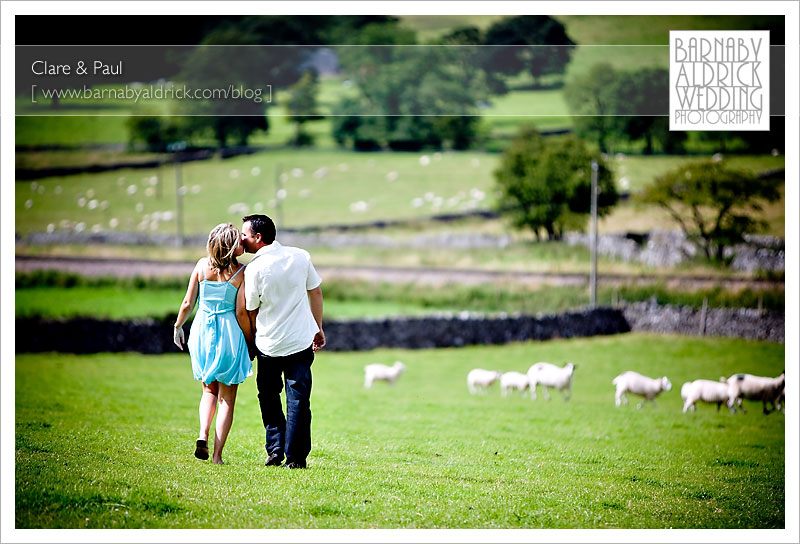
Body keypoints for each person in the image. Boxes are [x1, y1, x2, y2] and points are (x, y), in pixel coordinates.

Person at [238, 214, 325, 469]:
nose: (242, 238)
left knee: (268, 395)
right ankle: (296, 459)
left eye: (245, 234)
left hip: (269, 345)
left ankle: (275, 450)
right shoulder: (301, 256)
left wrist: (252, 341)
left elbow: (251, 309)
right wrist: (318, 327)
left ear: (258, 238)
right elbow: (316, 291)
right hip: (300, 341)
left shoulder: (254, 268)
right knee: (298, 399)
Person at [173, 223, 253, 465]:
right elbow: (241, 312)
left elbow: (188, 302)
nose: (243, 242)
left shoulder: (201, 266)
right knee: (227, 398)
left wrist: (177, 327)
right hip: (229, 332)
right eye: (239, 240)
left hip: (202, 332)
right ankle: (217, 456)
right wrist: (250, 342)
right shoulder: (242, 273)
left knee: (208, 390)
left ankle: (202, 434)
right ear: (231, 247)